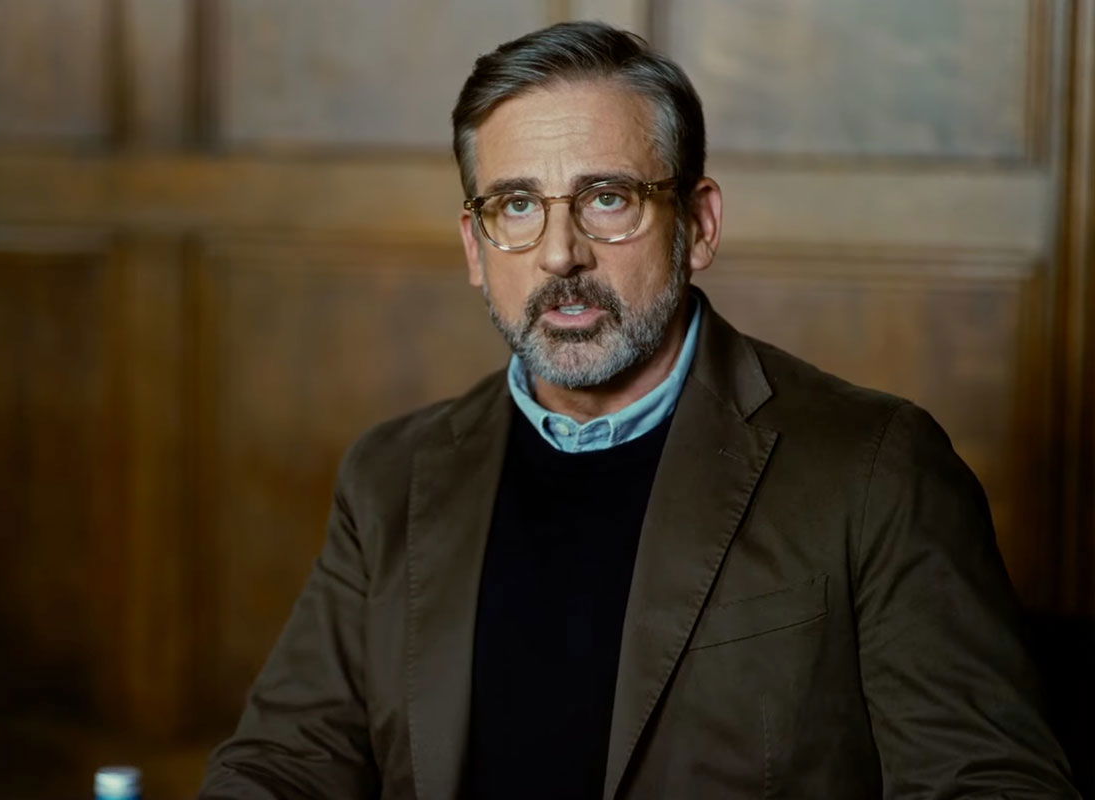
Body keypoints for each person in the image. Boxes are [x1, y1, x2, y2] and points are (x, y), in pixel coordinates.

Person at [200, 21, 1078, 799]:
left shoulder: (876, 468)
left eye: (607, 198)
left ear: (699, 224)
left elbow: (990, 782)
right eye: (516, 205)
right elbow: (284, 764)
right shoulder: (391, 475)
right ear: (475, 245)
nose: (560, 254)